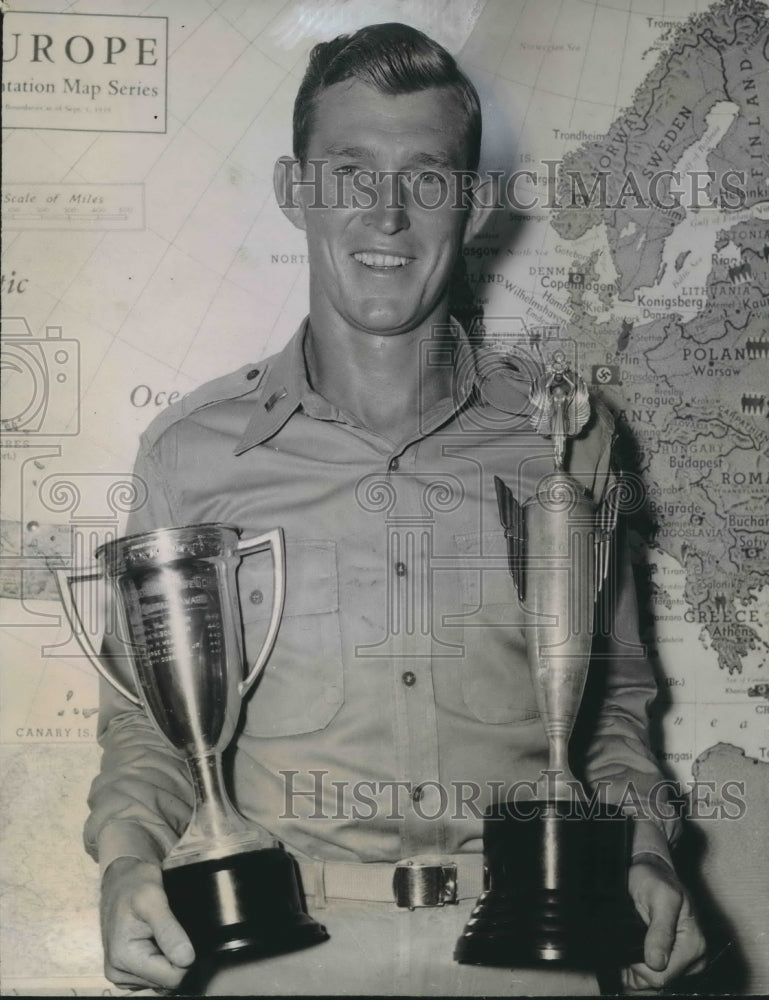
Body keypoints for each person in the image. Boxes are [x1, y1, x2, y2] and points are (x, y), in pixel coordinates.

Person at [85, 22, 706, 996]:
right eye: (348, 172)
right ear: (296, 192)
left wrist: (646, 854)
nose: (384, 215)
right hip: (279, 960)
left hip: (531, 953)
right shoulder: (194, 455)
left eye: (424, 177)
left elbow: (612, 710)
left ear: (472, 203)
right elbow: (150, 730)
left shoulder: (565, 440)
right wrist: (128, 863)